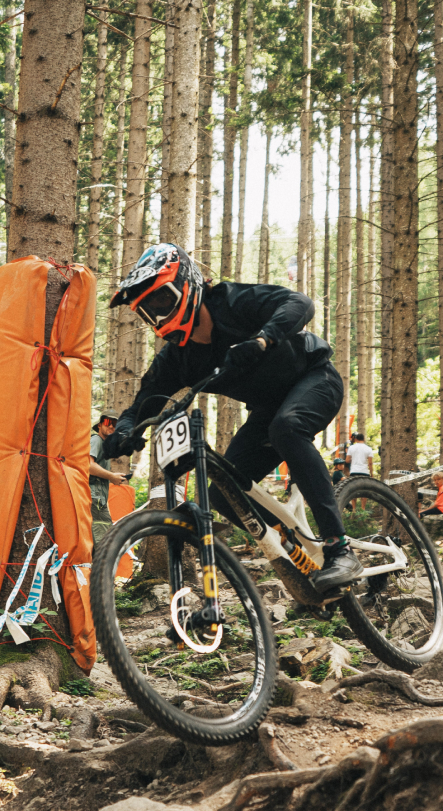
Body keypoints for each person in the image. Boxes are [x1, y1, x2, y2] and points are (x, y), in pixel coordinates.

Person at [103, 242, 361, 593]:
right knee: (226, 494)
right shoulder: (178, 357)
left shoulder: (233, 301)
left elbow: (300, 303)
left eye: (161, 301)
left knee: (286, 428)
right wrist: (127, 430)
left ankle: (338, 547)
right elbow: (145, 400)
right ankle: (296, 547)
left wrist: (263, 339)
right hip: (269, 410)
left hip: (314, 379)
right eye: (148, 312)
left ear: (187, 283)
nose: (158, 317)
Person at [89, 409, 131, 546]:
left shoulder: (104, 445)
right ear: (100, 425)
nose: (111, 426)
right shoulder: (96, 440)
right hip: (94, 497)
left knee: (100, 536)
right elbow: (88, 465)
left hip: (98, 498)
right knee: (104, 541)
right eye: (107, 422)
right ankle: (101, 567)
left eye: (114, 423)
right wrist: (111, 476)